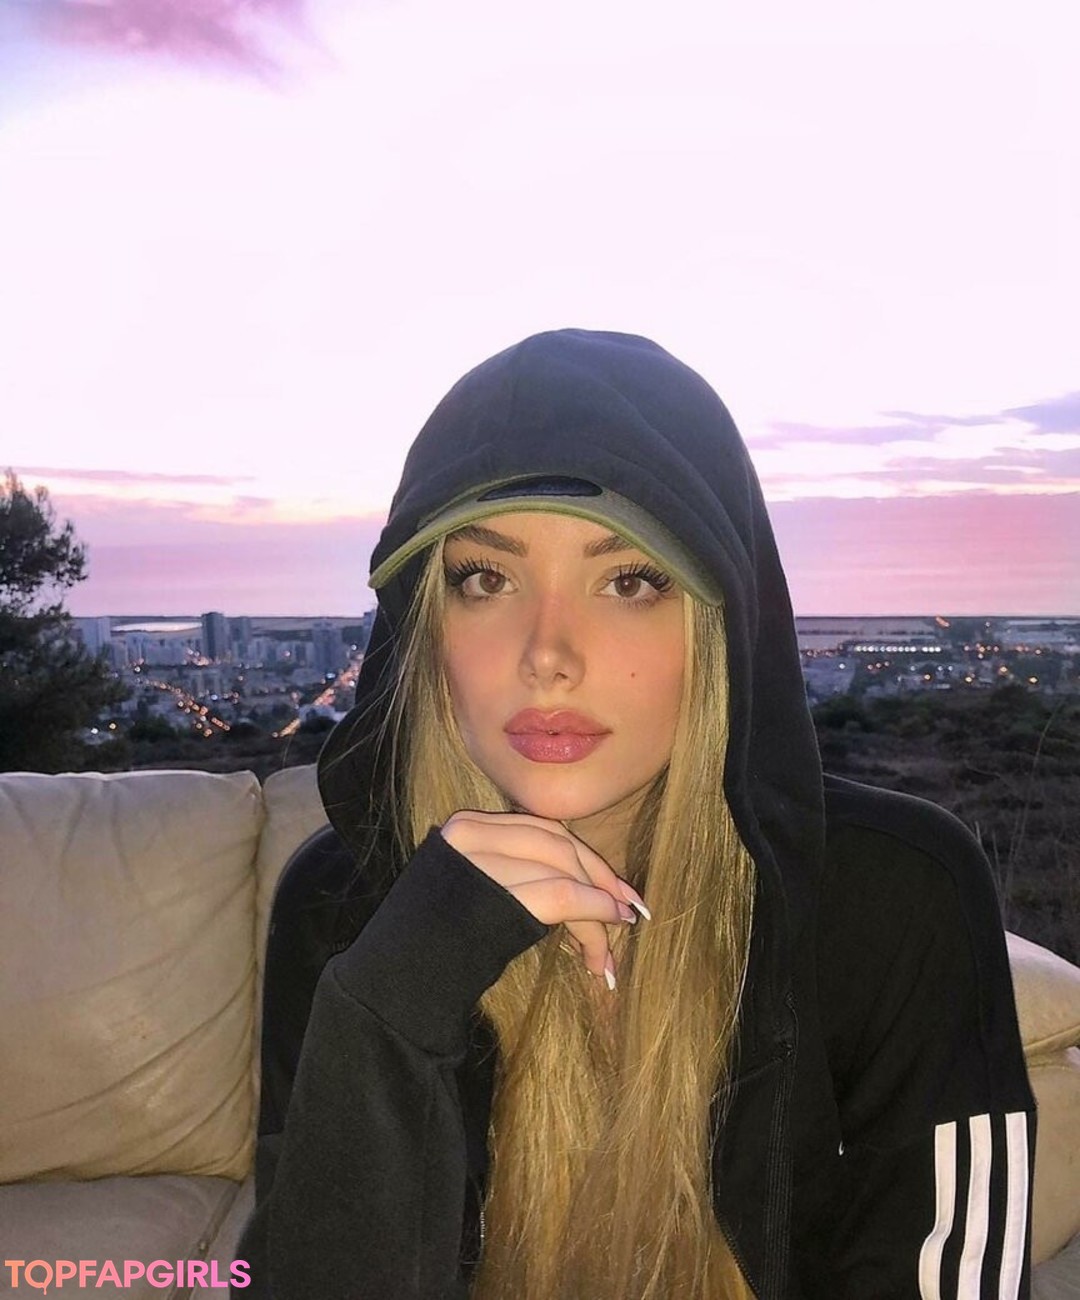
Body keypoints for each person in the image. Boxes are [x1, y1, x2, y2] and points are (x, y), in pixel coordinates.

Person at [236, 329, 1036, 1299]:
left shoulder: (894, 901)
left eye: (629, 580)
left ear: (720, 621)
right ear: (423, 623)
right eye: (484, 579)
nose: (547, 654)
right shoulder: (349, 907)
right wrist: (394, 1004)